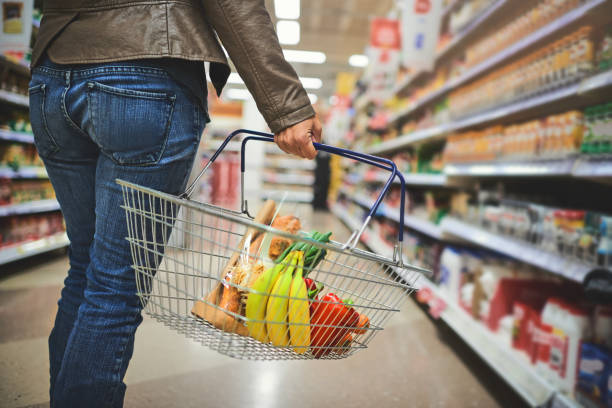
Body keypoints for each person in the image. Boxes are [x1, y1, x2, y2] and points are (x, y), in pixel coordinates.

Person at [29, 1, 322, 406]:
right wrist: (286, 106)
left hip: (51, 76)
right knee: (114, 285)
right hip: (145, 74)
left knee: (85, 268)